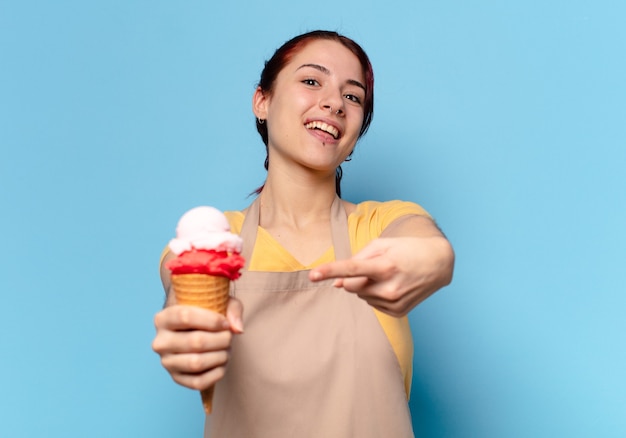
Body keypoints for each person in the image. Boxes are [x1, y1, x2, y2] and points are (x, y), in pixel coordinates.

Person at [153, 30, 455, 437]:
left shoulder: (381, 227)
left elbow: (427, 244)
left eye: (353, 96)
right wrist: (187, 335)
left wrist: (436, 258)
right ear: (263, 100)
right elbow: (181, 301)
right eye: (312, 81)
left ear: (354, 137)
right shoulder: (215, 243)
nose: (334, 103)